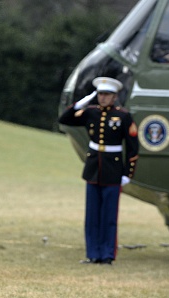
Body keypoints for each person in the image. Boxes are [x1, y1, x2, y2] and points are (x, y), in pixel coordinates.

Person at [58, 77, 139, 265]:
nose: (103, 98)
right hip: (93, 169)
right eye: (101, 94)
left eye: (107, 95)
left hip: (113, 170)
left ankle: (107, 255)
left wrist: (128, 173)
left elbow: (133, 148)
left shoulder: (123, 116)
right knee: (92, 216)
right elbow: (65, 119)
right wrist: (83, 101)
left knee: (109, 216)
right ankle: (92, 253)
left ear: (115, 97)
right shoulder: (90, 113)